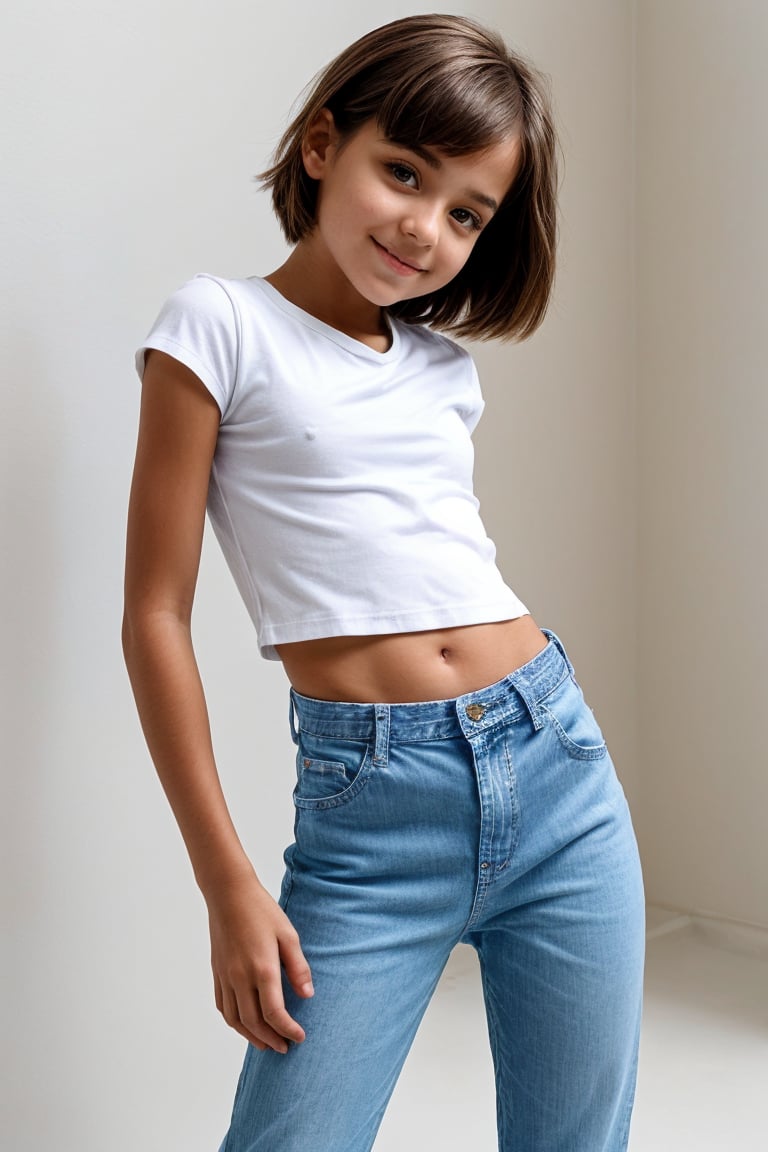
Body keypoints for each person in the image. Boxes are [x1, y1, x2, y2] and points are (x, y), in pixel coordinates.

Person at [122, 14, 645, 1152]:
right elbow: (155, 614)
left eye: (467, 211)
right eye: (403, 172)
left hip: (556, 764)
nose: (425, 228)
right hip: (373, 811)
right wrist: (228, 885)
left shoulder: (444, 372)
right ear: (322, 145)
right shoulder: (217, 326)